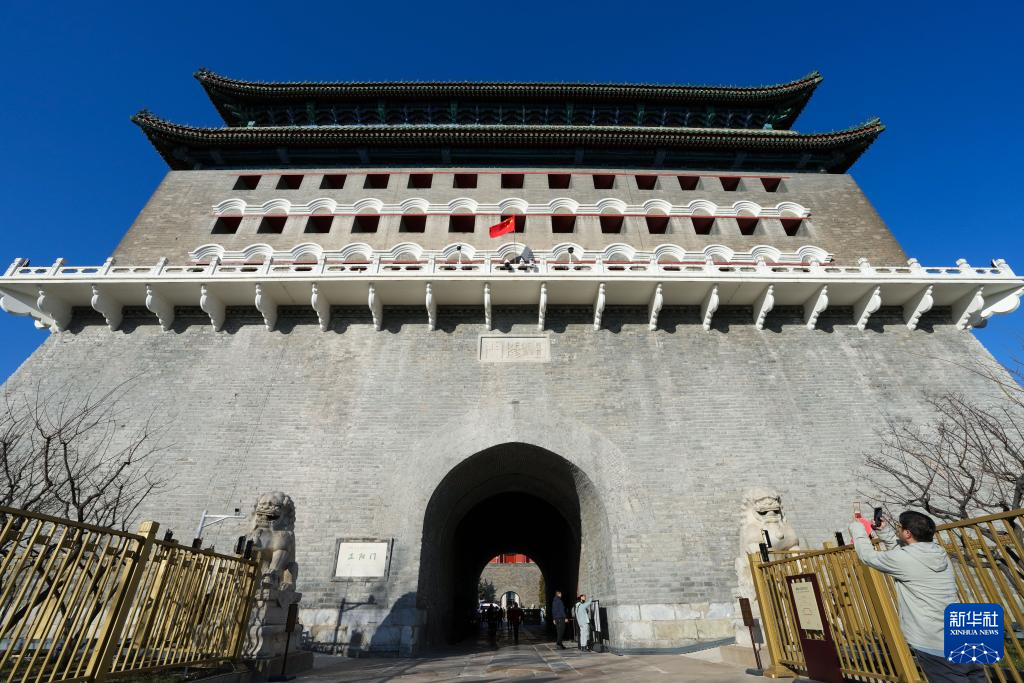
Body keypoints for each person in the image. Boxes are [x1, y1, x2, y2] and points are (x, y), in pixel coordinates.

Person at [850, 510, 985, 682]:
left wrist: (858, 528)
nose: (898, 529)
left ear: (907, 533)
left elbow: (867, 556)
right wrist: (885, 533)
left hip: (934, 641)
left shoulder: (905, 559)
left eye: (900, 527)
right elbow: (906, 556)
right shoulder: (939, 552)